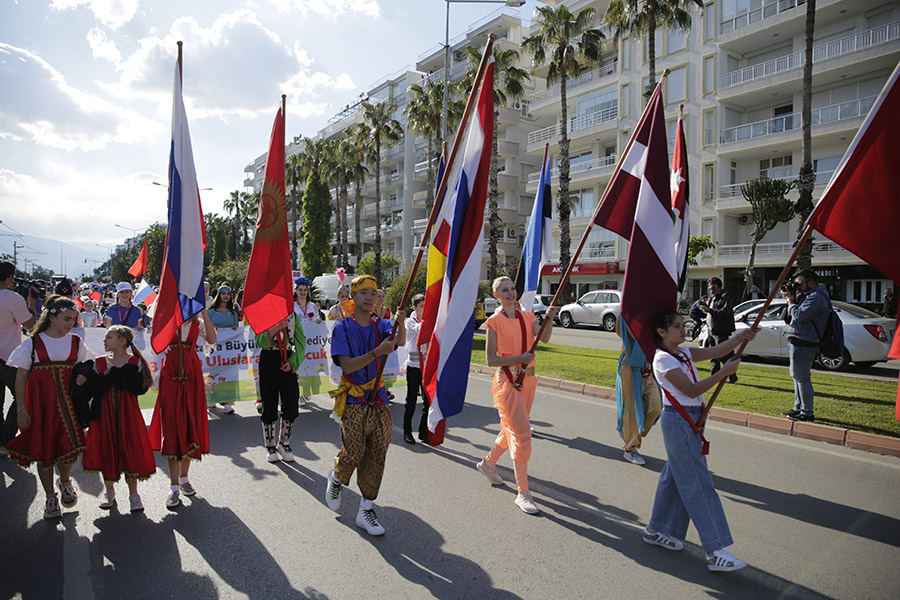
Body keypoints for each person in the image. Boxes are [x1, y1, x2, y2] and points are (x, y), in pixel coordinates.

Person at [643, 309, 757, 572]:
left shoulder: (683, 352)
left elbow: (716, 351)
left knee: (673, 478)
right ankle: (714, 550)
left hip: (691, 419)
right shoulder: (663, 360)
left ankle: (656, 530)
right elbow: (691, 390)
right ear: (661, 332)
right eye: (677, 326)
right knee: (697, 484)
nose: (683, 330)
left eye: (684, 325)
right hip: (679, 421)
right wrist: (723, 373)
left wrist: (742, 337)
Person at [325, 274, 405, 536]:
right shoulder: (342, 328)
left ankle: (365, 509)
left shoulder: (381, 325)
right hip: (355, 401)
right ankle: (337, 477)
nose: (370, 298)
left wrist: (400, 323)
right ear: (353, 296)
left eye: (374, 293)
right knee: (354, 452)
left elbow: (399, 341)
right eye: (364, 293)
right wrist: (376, 353)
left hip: (379, 399)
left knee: (377, 453)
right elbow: (347, 365)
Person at [5, 295, 92, 519]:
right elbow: (20, 379)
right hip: (40, 407)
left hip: (67, 406)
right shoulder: (32, 344)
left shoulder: (75, 342)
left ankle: (64, 481)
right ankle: (50, 497)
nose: (70, 324)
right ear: (51, 317)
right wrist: (21, 410)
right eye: (66, 319)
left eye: (73, 319)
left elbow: (87, 364)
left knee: (67, 449)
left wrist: (82, 375)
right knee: (44, 452)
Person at [476, 276, 557, 515]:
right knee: (521, 433)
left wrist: (549, 319)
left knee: (509, 430)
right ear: (496, 295)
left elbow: (544, 337)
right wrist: (518, 359)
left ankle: (488, 464)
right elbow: (491, 360)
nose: (511, 292)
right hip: (508, 382)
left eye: (512, 288)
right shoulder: (494, 321)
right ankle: (523, 492)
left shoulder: (528, 316)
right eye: (504, 290)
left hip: (529, 379)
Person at [78, 325, 155, 512]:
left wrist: (126, 379)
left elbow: (141, 388)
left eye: (109, 337)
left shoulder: (135, 362)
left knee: (130, 447)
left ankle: (134, 494)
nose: (105, 341)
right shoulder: (100, 363)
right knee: (107, 447)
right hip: (103, 414)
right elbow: (92, 390)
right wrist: (97, 380)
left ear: (122, 341)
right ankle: (109, 491)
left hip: (128, 413)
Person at [148, 309, 217, 508]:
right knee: (171, 427)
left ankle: (184, 478)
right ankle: (174, 486)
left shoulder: (197, 323)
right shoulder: (166, 321)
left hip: (192, 373)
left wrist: (203, 312)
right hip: (170, 374)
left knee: (189, 424)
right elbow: (156, 344)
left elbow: (212, 338)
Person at [780, 270, 830, 422]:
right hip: (798, 340)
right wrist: (792, 297)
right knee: (797, 377)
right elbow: (790, 316)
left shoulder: (816, 297)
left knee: (802, 378)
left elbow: (799, 316)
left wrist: (790, 300)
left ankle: (807, 412)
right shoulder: (807, 296)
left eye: (800, 283)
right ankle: (798, 407)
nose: (798, 286)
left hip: (805, 342)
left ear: (811, 282)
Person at [255, 314, 302, 462]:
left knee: (291, 401)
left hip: (287, 359)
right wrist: (277, 327)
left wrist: (293, 362)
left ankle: (284, 443)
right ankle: (270, 446)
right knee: (269, 401)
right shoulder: (263, 313)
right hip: (269, 358)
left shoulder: (293, 316)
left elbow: (301, 342)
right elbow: (260, 341)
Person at [207, 284, 240, 415]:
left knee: (229, 374)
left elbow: (237, 330)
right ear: (218, 295)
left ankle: (227, 402)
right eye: (223, 293)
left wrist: (235, 329)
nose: (226, 296)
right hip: (215, 350)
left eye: (228, 293)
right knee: (214, 374)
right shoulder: (210, 312)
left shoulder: (233, 313)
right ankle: (211, 397)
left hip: (230, 350)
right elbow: (204, 329)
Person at [402, 294, 429, 444]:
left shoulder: (427, 321)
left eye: (427, 306)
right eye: (422, 306)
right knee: (411, 400)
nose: (425, 309)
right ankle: (407, 431)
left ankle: (423, 432)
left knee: (428, 401)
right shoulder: (411, 322)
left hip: (426, 367)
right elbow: (421, 330)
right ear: (414, 308)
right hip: (414, 367)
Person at [701, 277, 737, 383]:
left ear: (716, 285)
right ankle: (715, 376)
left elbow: (725, 311)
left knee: (723, 354)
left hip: (721, 330)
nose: (709, 288)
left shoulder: (725, 297)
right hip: (711, 329)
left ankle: (732, 375)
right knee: (713, 355)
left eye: (710, 285)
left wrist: (710, 310)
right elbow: (711, 311)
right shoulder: (713, 298)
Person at [293, 277, 321, 407]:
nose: (303, 292)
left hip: (310, 341)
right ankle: (298, 394)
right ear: (296, 291)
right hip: (296, 341)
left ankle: (306, 390)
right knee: (298, 367)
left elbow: (317, 319)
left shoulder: (312, 306)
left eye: (305, 290)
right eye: (300, 290)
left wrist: (318, 322)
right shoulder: (292, 305)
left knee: (309, 366)